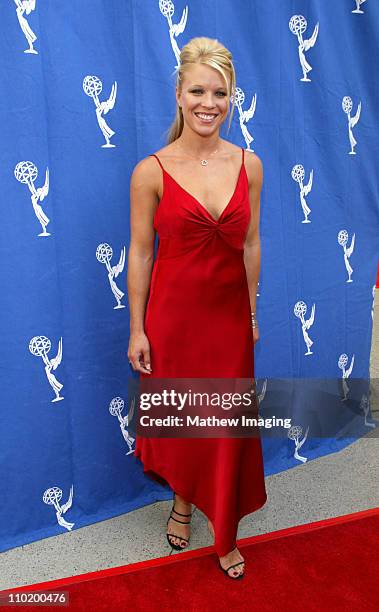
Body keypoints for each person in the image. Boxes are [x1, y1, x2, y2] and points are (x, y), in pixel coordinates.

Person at [127, 37, 267, 580]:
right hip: (174, 320)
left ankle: (225, 532)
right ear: (180, 95)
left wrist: (251, 313)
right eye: (198, 91)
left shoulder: (250, 166)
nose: (209, 103)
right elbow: (140, 253)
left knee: (226, 422)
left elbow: (251, 244)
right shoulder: (151, 171)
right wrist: (137, 328)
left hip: (229, 319)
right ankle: (183, 502)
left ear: (231, 98)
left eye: (220, 93)